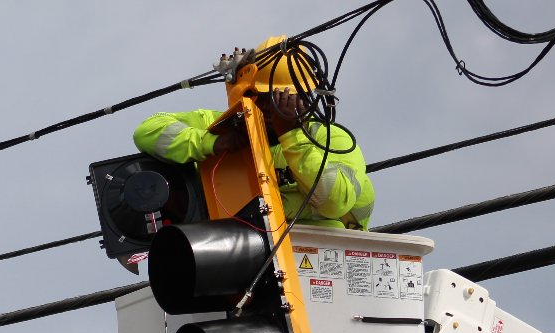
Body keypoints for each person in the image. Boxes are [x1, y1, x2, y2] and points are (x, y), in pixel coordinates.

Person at [132, 36, 374, 230]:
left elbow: (333, 202)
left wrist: (291, 135)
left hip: (317, 256)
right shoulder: (218, 126)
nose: (269, 108)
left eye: (280, 99)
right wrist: (212, 142)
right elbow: (147, 131)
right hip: (240, 254)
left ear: (302, 100)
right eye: (261, 97)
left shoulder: (331, 139)